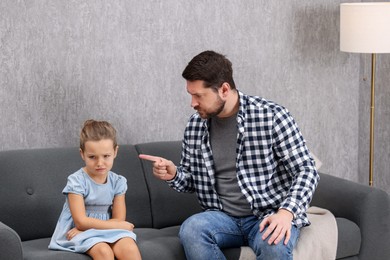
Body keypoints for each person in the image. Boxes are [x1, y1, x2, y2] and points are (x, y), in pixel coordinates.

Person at [139, 50, 319, 260]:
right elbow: (190, 181)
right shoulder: (195, 125)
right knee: (192, 229)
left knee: (274, 246)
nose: (192, 103)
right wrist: (173, 174)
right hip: (222, 218)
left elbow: (306, 169)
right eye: (191, 95)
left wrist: (286, 213)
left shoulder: (271, 116)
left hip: (268, 214)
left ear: (224, 89)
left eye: (198, 95)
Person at [49, 120, 141, 260]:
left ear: (115, 151)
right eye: (92, 157)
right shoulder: (77, 181)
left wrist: (118, 224)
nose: (99, 163)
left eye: (106, 156)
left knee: (129, 249)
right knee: (104, 252)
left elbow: (119, 219)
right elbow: (81, 221)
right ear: (82, 154)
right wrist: (118, 225)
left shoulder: (118, 182)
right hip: (78, 231)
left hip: (108, 230)